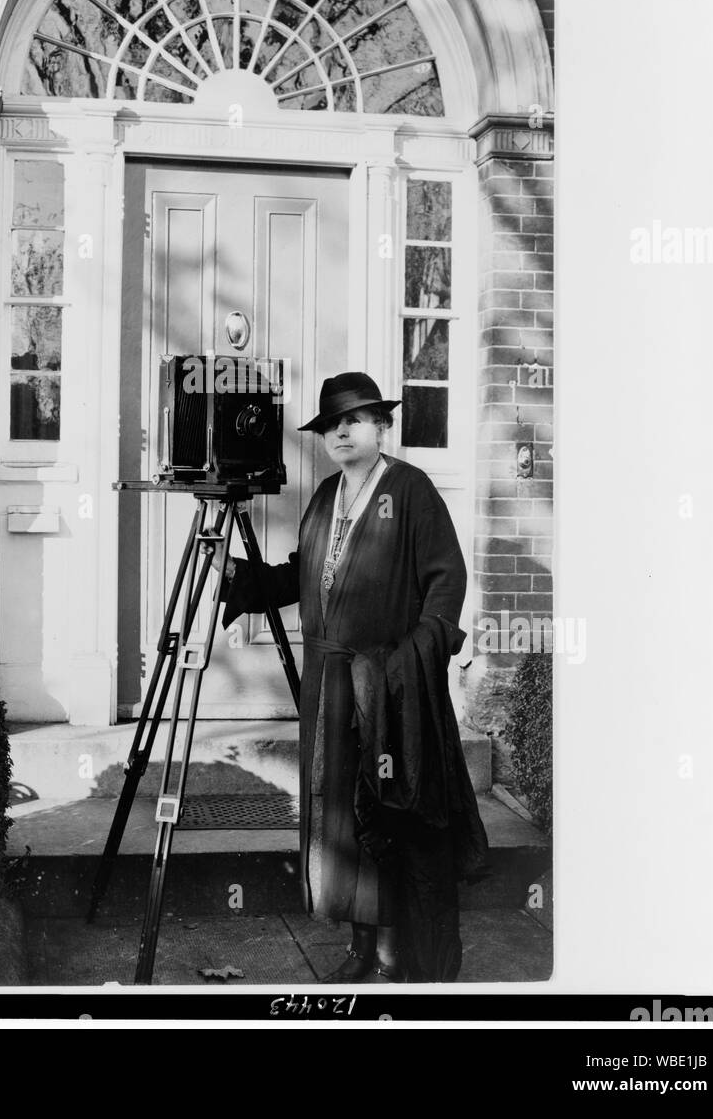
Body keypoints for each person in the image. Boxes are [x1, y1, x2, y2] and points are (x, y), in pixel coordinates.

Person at [208, 372, 488, 982]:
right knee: (340, 820)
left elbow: (446, 582)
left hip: (388, 690)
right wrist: (239, 578)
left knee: (385, 815)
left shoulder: (411, 490)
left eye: (354, 420)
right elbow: (299, 575)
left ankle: (394, 958)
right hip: (330, 690)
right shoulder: (326, 496)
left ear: (381, 428)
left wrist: (413, 656)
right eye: (332, 423)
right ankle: (362, 946)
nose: (341, 431)